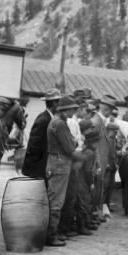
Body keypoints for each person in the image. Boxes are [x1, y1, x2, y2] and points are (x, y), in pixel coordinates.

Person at [45, 96, 86, 247]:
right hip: (60, 163)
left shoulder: (55, 121)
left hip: (55, 162)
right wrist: (78, 149)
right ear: (65, 109)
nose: (74, 111)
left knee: (54, 199)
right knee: (56, 202)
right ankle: (50, 235)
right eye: (72, 109)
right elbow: (70, 147)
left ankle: (51, 233)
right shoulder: (60, 124)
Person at [22, 88, 61, 187]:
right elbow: (34, 145)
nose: (61, 104)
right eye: (59, 101)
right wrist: (37, 170)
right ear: (54, 103)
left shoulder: (50, 118)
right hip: (39, 168)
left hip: (43, 166)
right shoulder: (44, 119)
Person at [90, 95, 115, 222]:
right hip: (96, 164)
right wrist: (97, 164)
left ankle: (95, 214)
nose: (111, 113)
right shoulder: (96, 122)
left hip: (100, 163)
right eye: (111, 110)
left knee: (99, 189)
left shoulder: (100, 121)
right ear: (107, 109)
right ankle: (93, 215)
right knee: (95, 189)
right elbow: (92, 145)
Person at [104, 122, 120, 213]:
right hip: (107, 166)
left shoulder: (114, 140)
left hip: (113, 165)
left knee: (111, 186)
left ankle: (107, 204)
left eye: (116, 132)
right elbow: (104, 153)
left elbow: (114, 153)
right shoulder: (105, 140)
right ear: (109, 130)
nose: (116, 134)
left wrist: (116, 162)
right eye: (114, 132)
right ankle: (102, 205)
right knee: (105, 186)